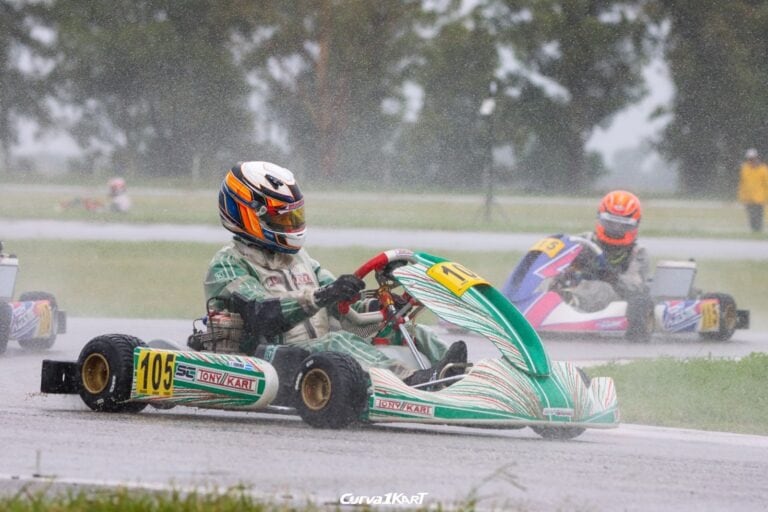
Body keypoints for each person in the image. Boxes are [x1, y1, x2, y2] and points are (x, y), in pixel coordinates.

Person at [203, 161, 466, 386]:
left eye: (294, 217)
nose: (291, 225)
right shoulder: (227, 265)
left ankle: (458, 376)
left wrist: (381, 305)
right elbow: (262, 313)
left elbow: (341, 306)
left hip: (320, 354)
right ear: (247, 214)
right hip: (269, 359)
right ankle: (414, 382)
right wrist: (319, 296)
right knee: (338, 341)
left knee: (409, 329)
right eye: (281, 219)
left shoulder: (299, 260)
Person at [560, 190, 652, 339]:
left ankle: (572, 302)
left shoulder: (638, 253)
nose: (615, 229)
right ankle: (543, 304)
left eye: (622, 225)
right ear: (600, 218)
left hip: (615, 298)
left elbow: (635, 288)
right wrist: (569, 269)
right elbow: (558, 265)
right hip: (575, 286)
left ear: (635, 225)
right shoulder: (582, 241)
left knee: (602, 288)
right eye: (610, 223)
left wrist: (610, 276)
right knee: (548, 282)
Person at [737, 148, 768, 233]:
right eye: (749, 159)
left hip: (759, 197)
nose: (751, 161)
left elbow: (766, 184)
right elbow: (742, 183)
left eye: (752, 158)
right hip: (748, 198)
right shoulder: (744, 168)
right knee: (751, 216)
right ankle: (754, 230)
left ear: (757, 158)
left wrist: (766, 196)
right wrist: (742, 196)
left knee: (758, 215)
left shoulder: (763, 169)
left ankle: (758, 230)